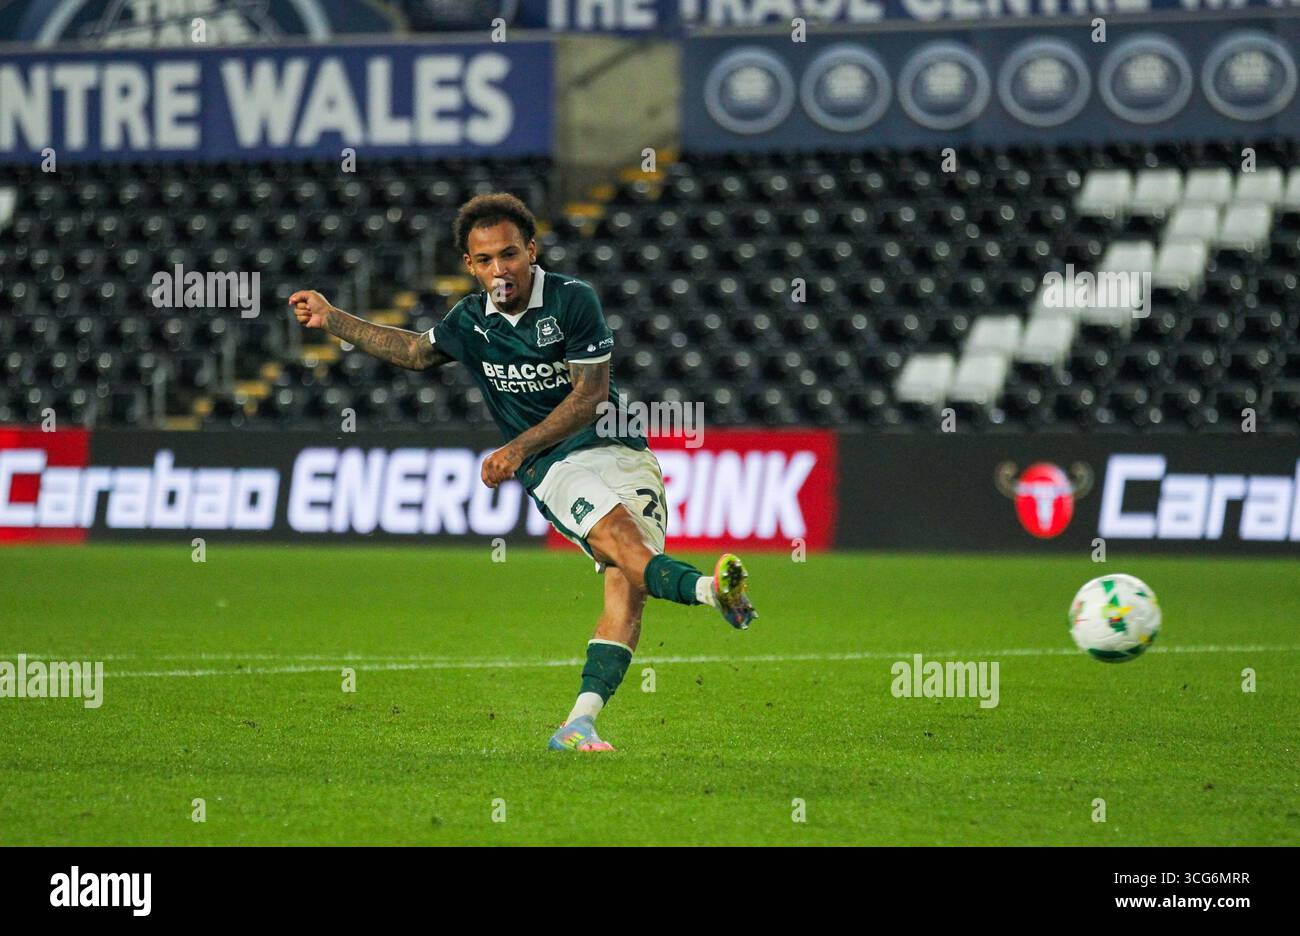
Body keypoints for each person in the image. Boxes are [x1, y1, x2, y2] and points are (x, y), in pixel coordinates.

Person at [288, 193, 757, 752]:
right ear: (469, 264)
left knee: (630, 585)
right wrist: (333, 318)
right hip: (554, 464)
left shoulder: (572, 301)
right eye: (484, 260)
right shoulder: (470, 321)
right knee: (625, 548)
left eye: (509, 255)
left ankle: (579, 723)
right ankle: (712, 592)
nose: (499, 270)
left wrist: (512, 449)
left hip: (621, 448)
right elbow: (415, 352)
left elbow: (590, 396)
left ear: (531, 250)